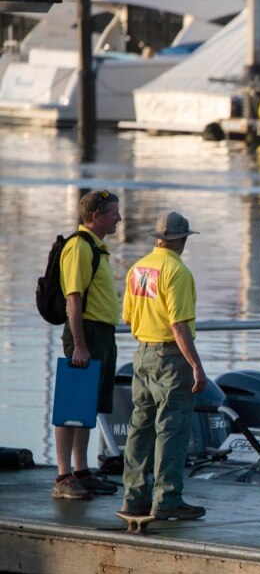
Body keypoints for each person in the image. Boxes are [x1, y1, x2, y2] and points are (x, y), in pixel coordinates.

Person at [120, 211, 208, 520]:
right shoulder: (176, 271)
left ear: (157, 238)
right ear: (181, 239)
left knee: (140, 427)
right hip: (170, 358)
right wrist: (195, 365)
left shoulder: (138, 268)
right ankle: (168, 498)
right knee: (171, 428)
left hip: (141, 354)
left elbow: (128, 318)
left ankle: (133, 497)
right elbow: (179, 325)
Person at [53, 190, 122, 500]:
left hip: (102, 334)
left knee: (88, 405)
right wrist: (80, 344)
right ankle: (63, 475)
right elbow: (74, 298)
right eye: (113, 213)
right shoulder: (80, 248)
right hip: (87, 334)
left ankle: (81, 471)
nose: (119, 218)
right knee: (72, 405)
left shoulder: (97, 248)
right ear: (96, 216)